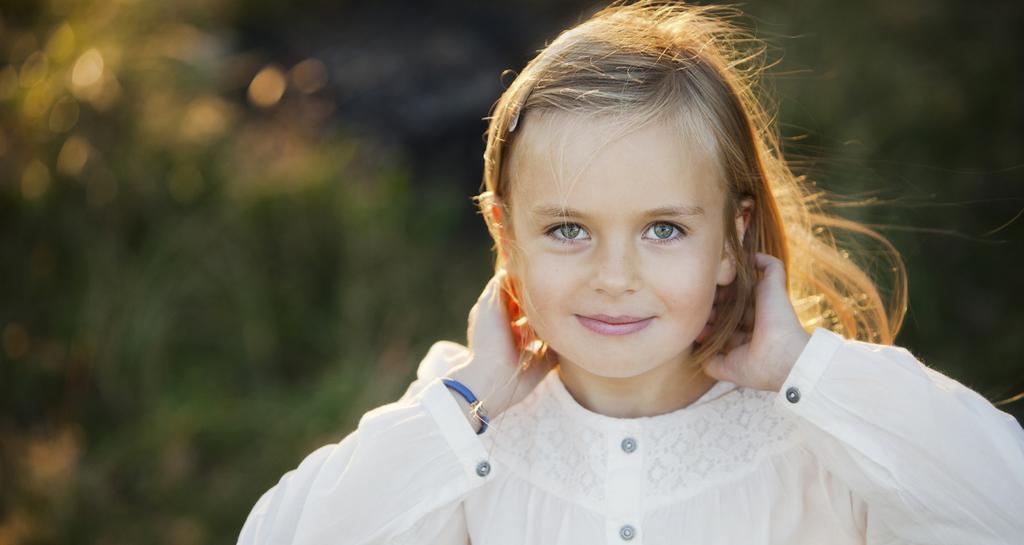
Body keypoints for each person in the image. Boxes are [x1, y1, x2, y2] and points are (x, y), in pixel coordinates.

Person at [236, 2, 1024, 543]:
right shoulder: (464, 429)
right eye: (569, 228)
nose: (616, 275)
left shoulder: (820, 434)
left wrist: (805, 369)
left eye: (664, 228)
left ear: (729, 240)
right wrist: (470, 398)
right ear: (506, 238)